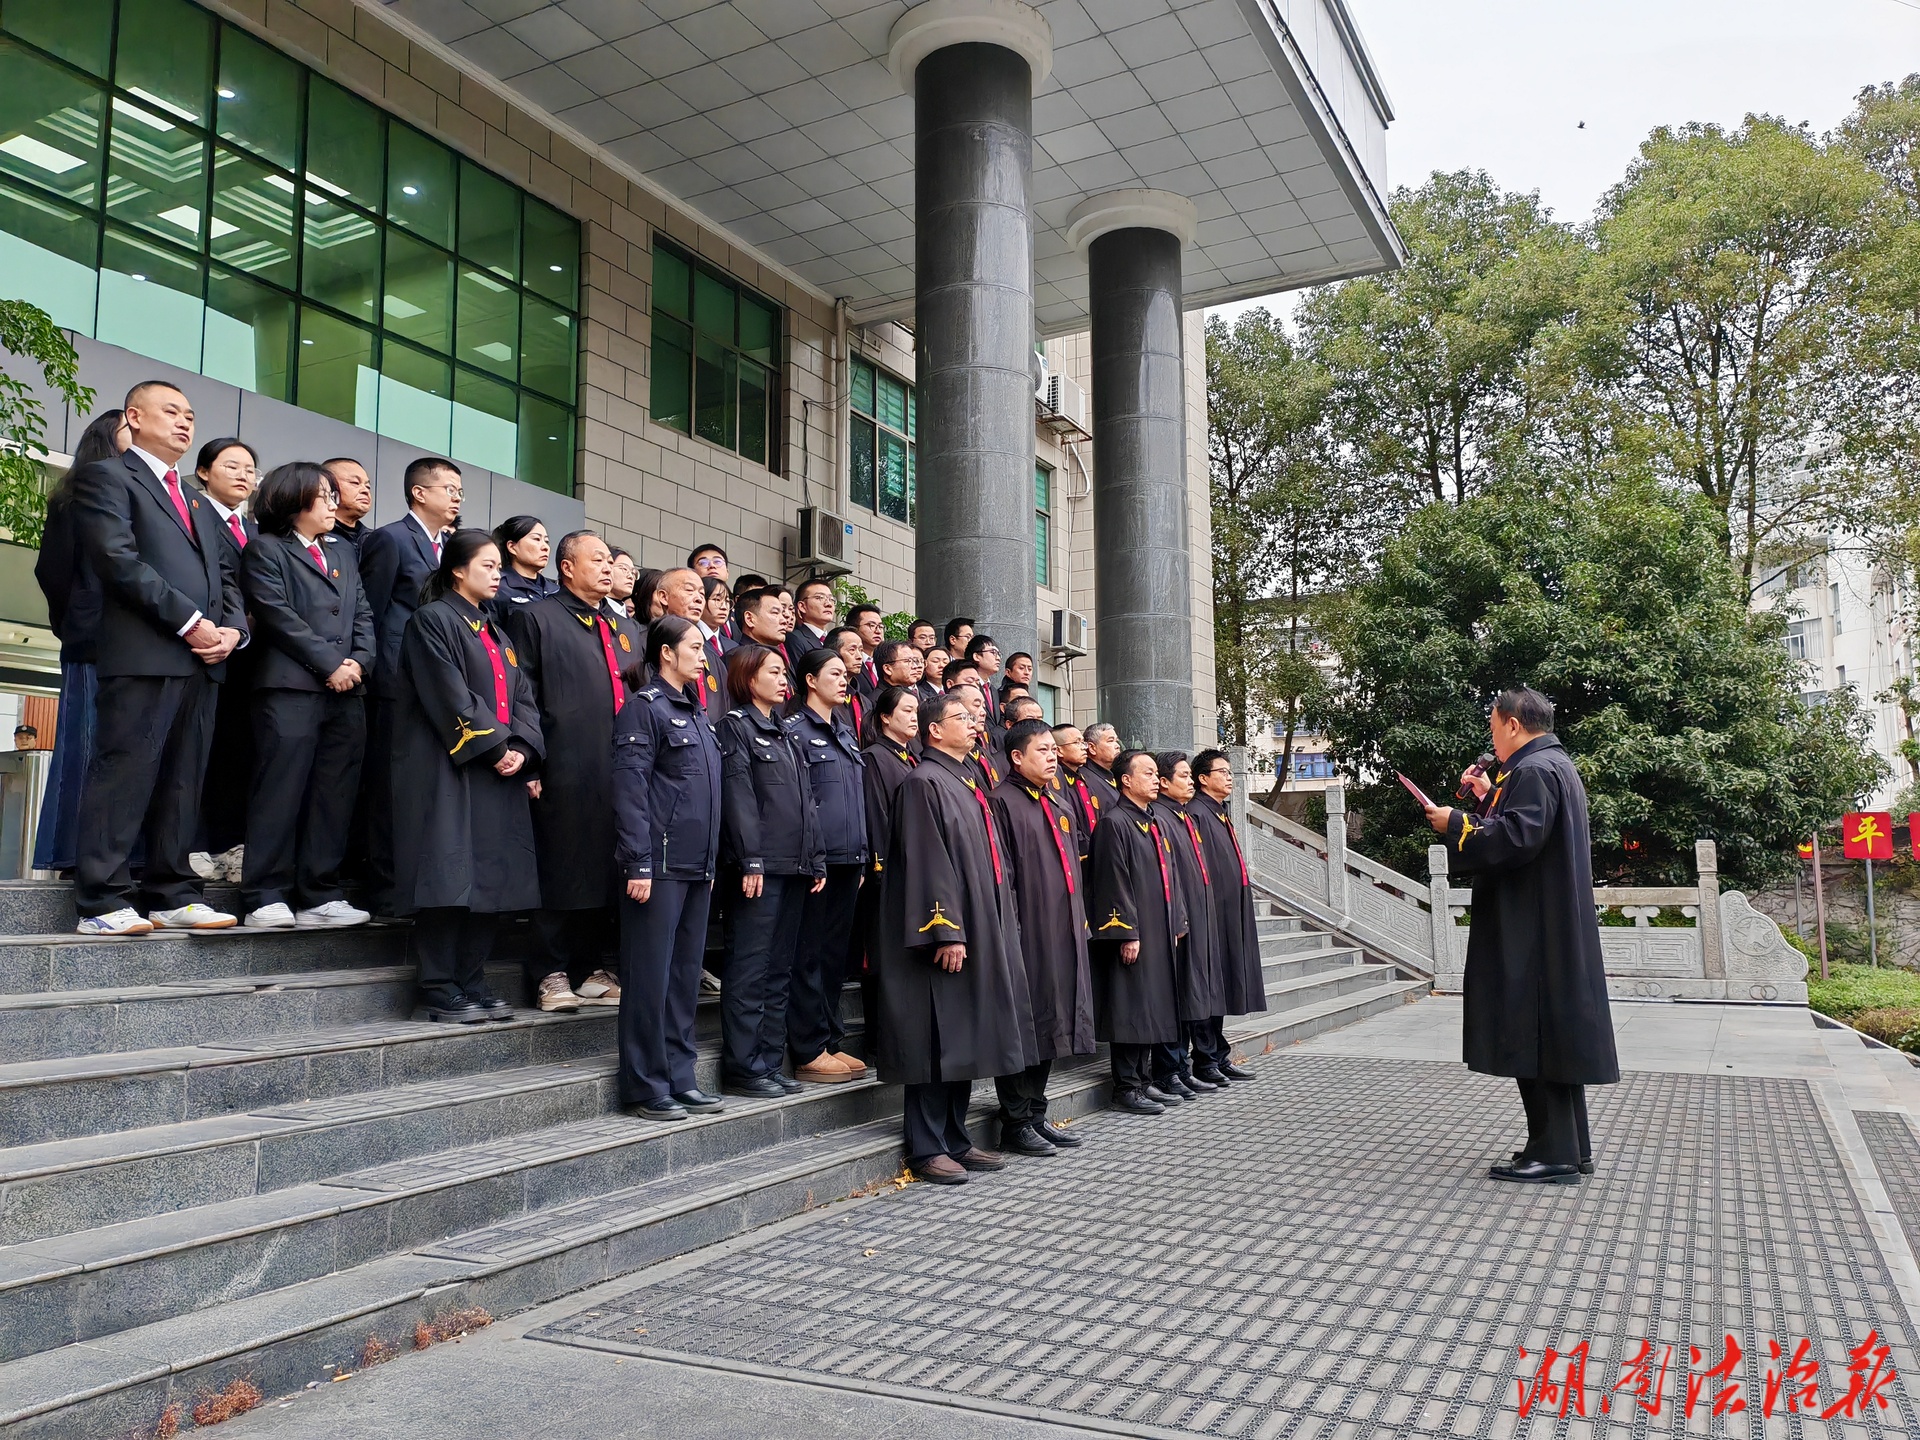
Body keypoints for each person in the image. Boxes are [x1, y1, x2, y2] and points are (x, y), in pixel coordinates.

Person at [70, 380, 246, 935]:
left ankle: (172, 891)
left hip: (204, 662)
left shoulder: (196, 498)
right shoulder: (109, 476)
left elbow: (226, 576)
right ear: (134, 417)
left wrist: (233, 631)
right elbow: (118, 561)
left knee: (183, 779)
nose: (184, 422)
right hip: (146, 653)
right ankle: (101, 900)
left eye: (190, 414)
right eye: (171, 411)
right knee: (124, 773)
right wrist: (191, 623)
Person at [1424, 687, 1619, 1184]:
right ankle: (1567, 1147)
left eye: (1493, 725)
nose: (1491, 734)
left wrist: (1457, 824)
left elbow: (1516, 839)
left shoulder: (1532, 770)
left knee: (1537, 1037)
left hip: (1531, 929)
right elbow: (1527, 824)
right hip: (1548, 922)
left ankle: (1553, 1155)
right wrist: (1490, 796)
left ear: (1512, 724)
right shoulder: (1554, 765)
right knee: (1552, 1039)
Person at [873, 692, 1033, 1185]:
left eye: (972, 716)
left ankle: (956, 1138)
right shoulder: (923, 782)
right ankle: (926, 1146)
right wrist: (945, 930)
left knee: (964, 1033)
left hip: (982, 924)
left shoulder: (966, 777)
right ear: (934, 730)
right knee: (934, 1037)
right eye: (961, 717)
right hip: (947, 933)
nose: (972, 722)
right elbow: (929, 862)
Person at [393, 529, 543, 1023]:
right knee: (449, 874)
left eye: (500, 566)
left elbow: (522, 697)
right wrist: (495, 746)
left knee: (492, 879)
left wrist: (520, 747)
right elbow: (448, 693)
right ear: (458, 570)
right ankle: (437, 985)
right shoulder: (432, 621)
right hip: (449, 769)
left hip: (498, 772)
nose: (498, 574)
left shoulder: (495, 630)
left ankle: (471, 980)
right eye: (488, 565)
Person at [503, 531, 639, 1014]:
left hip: (621, 768)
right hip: (563, 763)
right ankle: (549, 972)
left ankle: (590, 969)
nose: (609, 568)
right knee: (561, 865)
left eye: (611, 560)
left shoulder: (623, 628)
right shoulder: (534, 617)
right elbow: (523, 694)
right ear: (566, 567)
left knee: (607, 867)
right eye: (597, 559)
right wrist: (531, 759)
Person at [236, 462, 374, 930]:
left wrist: (358, 661)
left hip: (346, 692)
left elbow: (363, 614)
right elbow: (276, 614)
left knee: (333, 793)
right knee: (280, 788)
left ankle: (320, 891)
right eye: (325, 495)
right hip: (289, 687)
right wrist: (330, 664)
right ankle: (264, 893)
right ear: (294, 500)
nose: (334, 503)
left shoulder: (343, 552)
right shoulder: (265, 549)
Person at [612, 615, 726, 1122]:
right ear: (665, 653)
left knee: (683, 979)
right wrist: (638, 862)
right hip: (656, 866)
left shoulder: (697, 714)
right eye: (694, 647)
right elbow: (630, 790)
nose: (704, 656)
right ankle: (645, 1084)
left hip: (697, 865)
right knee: (649, 978)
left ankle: (680, 1077)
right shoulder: (644, 709)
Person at [717, 643, 824, 1097]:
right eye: (775, 672)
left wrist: (815, 858)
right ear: (747, 677)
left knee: (779, 968)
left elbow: (806, 805)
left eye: (785, 672)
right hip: (760, 869)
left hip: (795, 867)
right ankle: (743, 1066)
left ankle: (768, 1060)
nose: (785, 680)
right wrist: (750, 859)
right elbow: (739, 799)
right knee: (750, 967)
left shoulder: (784, 731)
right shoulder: (736, 727)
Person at [360, 456, 463, 915]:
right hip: (395, 683)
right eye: (450, 488)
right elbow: (373, 612)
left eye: (460, 490)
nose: (458, 496)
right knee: (387, 787)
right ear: (420, 492)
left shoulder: (453, 548)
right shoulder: (391, 539)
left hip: (441, 686)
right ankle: (384, 887)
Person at [991, 719, 1094, 1156]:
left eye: (1055, 749)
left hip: (1063, 928)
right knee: (1025, 1024)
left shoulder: (1057, 801)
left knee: (1053, 1021)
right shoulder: (1001, 803)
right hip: (1025, 932)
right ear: (1017, 756)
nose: (1053, 756)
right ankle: (1014, 1121)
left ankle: (1036, 1114)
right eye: (1043, 750)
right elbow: (1004, 876)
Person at [33, 408, 129, 875]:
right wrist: (72, 622)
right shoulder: (75, 496)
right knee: (86, 747)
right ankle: (76, 855)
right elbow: (51, 570)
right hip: (92, 642)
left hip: (134, 644)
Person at [783, 645, 870, 1085]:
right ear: (810, 681)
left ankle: (831, 1039)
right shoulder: (794, 731)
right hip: (818, 863)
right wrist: (815, 858)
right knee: (809, 954)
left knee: (835, 956)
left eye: (846, 674)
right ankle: (808, 1047)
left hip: (849, 860)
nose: (844, 680)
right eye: (834, 673)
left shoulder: (846, 732)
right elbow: (800, 805)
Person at [1088, 750, 1187, 1115]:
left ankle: (1144, 1079)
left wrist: (1176, 920)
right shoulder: (1114, 823)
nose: (1155, 779)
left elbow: (1169, 874)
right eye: (1146, 773)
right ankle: (1126, 1086)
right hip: (1132, 932)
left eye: (1155, 773)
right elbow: (1112, 881)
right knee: (1130, 1005)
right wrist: (1126, 931)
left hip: (1157, 928)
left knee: (1150, 1004)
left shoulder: (1151, 820)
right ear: (1125, 780)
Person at [193, 437, 261, 879]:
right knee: (196, 752)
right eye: (232, 465)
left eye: (250, 469)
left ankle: (228, 845)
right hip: (204, 649)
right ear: (203, 472)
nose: (243, 475)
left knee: (237, 753)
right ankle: (191, 843)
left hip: (249, 660)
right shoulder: (193, 517)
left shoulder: (257, 533)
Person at [1151, 751, 1228, 1098]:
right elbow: (1170, 874)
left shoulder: (1183, 815)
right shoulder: (1163, 817)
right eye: (1182, 776)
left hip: (1197, 913)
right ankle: (1171, 1069)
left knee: (1192, 990)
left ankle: (1183, 1067)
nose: (1187, 782)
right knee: (1180, 992)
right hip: (1178, 918)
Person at [1191, 749, 1262, 1081]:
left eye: (1231, 772)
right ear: (1203, 778)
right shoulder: (1197, 814)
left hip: (1228, 911)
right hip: (1210, 913)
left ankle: (1217, 1054)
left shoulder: (1217, 812)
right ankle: (1204, 1059)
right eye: (1223, 771)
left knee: (1221, 985)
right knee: (1209, 987)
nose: (1230, 777)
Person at [490, 515, 557, 618]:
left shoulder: (555, 590)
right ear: (512, 547)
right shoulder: (497, 586)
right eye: (536, 539)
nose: (545, 547)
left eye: (546, 541)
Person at [1053, 724, 1101, 862]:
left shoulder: (1083, 778)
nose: (1083, 747)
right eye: (1076, 742)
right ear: (1059, 751)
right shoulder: (1058, 782)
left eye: (1083, 742)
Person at [696, 576, 733, 721]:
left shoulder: (732, 646)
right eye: (717, 600)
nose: (724, 607)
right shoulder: (691, 639)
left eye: (727, 601)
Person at [321, 458, 373, 556]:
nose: (365, 490)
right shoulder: (315, 537)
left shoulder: (374, 539)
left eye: (368, 486)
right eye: (355, 483)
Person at [1079, 722, 1124, 816]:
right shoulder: (1084, 779)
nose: (1117, 746)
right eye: (1110, 741)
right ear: (1092, 748)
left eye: (1116, 741)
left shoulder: (1112, 773)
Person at [966, 634, 1004, 737]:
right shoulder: (967, 687)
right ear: (976, 656)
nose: (998, 658)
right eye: (993, 653)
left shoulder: (994, 691)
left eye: (999, 654)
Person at [788, 577, 836, 657]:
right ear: (802, 606)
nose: (829, 604)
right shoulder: (795, 638)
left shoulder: (834, 642)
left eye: (831, 599)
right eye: (819, 598)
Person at [847, 604, 885, 700]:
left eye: (880, 626)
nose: (878, 631)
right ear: (854, 628)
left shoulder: (884, 663)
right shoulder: (847, 662)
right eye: (871, 625)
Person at [607, 547, 638, 620]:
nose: (630, 576)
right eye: (624, 569)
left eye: (633, 572)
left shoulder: (634, 624)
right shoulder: (594, 611)